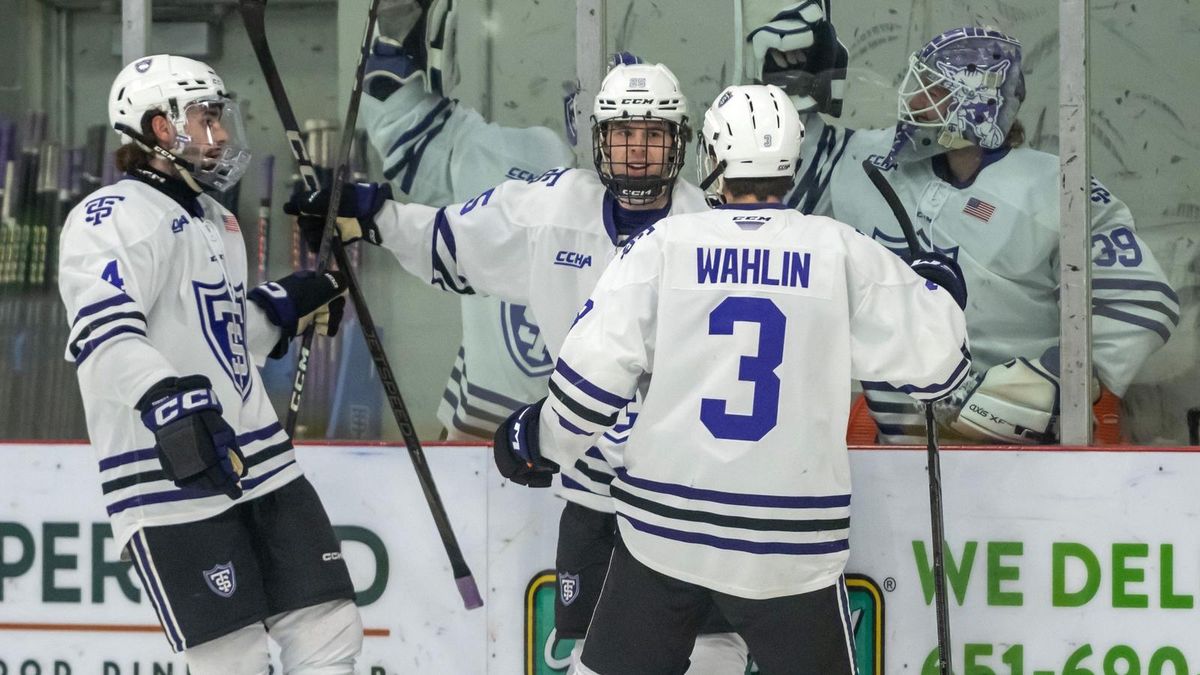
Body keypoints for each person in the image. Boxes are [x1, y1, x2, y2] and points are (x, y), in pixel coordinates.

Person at [492, 83, 971, 674]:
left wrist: (536, 441)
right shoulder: (840, 251)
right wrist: (939, 292)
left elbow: (590, 385)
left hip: (667, 530)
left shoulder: (662, 246)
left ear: (713, 155)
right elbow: (939, 370)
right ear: (791, 158)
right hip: (790, 545)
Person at [288, 62, 750, 672]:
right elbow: (452, 240)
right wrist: (372, 216)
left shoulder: (717, 231)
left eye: (652, 135)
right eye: (622, 134)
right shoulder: (552, 208)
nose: (637, 151)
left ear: (679, 143)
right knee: (593, 656)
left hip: (693, 492)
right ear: (600, 140)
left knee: (712, 652)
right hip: (595, 490)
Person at [747, 6, 1178, 444]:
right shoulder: (867, 162)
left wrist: (1058, 377)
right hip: (895, 453)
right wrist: (793, 91)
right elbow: (784, 179)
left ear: (977, 104)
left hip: (1018, 456)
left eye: (932, 89)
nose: (913, 101)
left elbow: (1142, 299)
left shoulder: (1057, 186)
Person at [58, 55, 360, 673]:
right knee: (232, 658)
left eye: (219, 119)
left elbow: (213, 336)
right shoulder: (111, 215)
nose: (220, 134)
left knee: (330, 627)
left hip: (261, 460)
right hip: (171, 476)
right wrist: (168, 401)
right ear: (160, 128)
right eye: (205, 119)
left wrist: (279, 310)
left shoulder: (214, 217)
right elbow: (103, 337)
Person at [360, 0, 575, 440]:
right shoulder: (531, 158)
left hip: (601, 456)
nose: (631, 146)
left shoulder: (679, 222)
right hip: (484, 437)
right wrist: (403, 29)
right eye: (618, 126)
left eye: (648, 131)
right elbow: (400, 117)